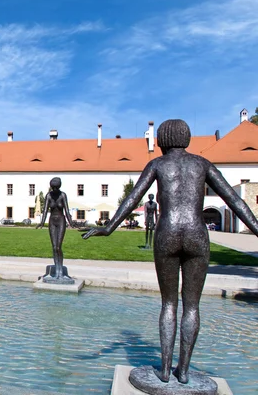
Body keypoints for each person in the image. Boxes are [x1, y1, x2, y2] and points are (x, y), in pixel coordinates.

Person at [83, 119, 258, 384]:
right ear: (186, 138)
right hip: (197, 235)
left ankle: (165, 370)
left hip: (167, 233)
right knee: (192, 307)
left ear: (162, 140)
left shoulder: (157, 164)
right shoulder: (202, 164)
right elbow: (234, 201)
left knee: (168, 303)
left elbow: (133, 198)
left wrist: (109, 227)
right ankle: (184, 372)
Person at [36, 177, 74, 279]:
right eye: (53, 188)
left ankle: (60, 270)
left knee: (58, 246)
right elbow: (45, 210)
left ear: (59, 187)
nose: (55, 190)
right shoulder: (49, 195)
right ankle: (56, 270)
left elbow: (66, 210)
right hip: (52, 221)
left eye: (56, 188)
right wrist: (42, 223)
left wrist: (71, 223)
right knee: (54, 247)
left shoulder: (62, 195)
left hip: (61, 220)